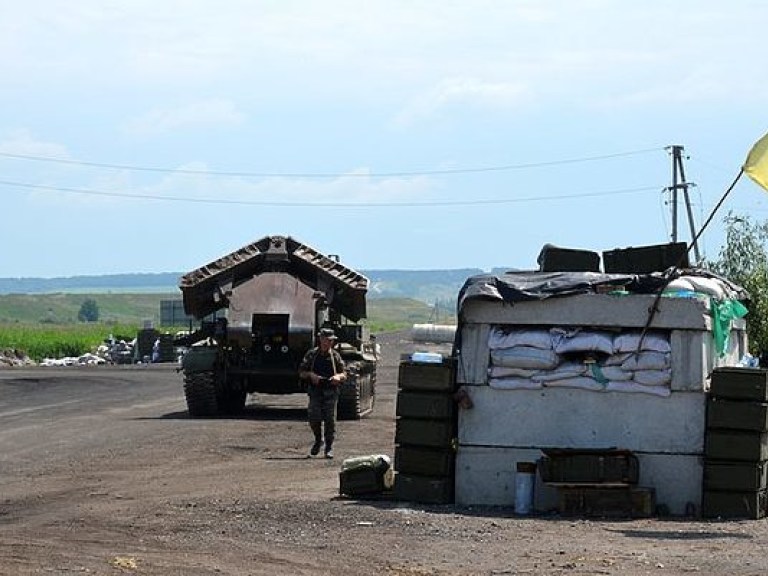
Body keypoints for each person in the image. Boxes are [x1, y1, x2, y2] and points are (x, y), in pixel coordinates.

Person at [298, 328, 347, 458]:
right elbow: (302, 372)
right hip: (315, 390)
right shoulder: (312, 355)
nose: (328, 343)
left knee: (330, 420)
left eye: (330, 341)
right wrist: (311, 375)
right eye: (325, 340)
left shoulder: (335, 356)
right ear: (320, 340)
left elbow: (344, 373)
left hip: (331, 391)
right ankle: (318, 440)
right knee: (314, 417)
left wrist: (338, 377)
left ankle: (329, 447)